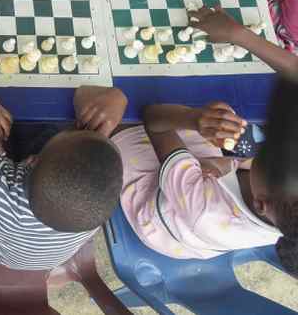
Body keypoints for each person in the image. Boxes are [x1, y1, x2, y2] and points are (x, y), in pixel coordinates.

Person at [113, 97, 297, 272]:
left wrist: (194, 119)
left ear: (260, 203)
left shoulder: (203, 211)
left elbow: (153, 118)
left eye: (274, 161)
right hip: (200, 199)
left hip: (157, 201)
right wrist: (219, 162)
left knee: (115, 113)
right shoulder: (287, 220)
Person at [0, 87, 125, 269]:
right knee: (53, 132)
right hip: (46, 256)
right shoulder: (97, 206)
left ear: (32, 160)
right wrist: (115, 99)